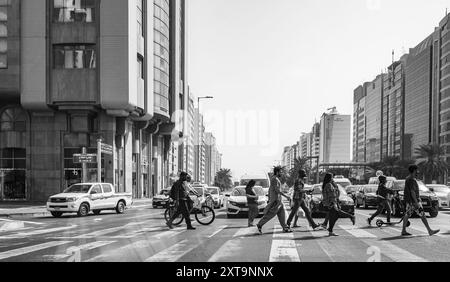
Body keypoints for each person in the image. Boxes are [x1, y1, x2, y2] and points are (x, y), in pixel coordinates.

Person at [401, 165, 440, 237]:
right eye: (416, 171)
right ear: (413, 171)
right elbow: (412, 191)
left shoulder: (408, 179)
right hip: (413, 202)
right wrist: (416, 202)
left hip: (410, 201)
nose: (418, 172)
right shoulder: (411, 179)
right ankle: (429, 230)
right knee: (422, 215)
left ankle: (403, 230)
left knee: (407, 214)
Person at [256, 167, 292, 234]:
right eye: (280, 172)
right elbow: (277, 190)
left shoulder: (275, 179)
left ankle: (285, 227)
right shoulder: (274, 179)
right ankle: (259, 224)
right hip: (276, 201)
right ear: (277, 172)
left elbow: (271, 190)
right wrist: (286, 196)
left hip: (279, 201)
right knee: (270, 214)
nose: (281, 173)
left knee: (282, 214)